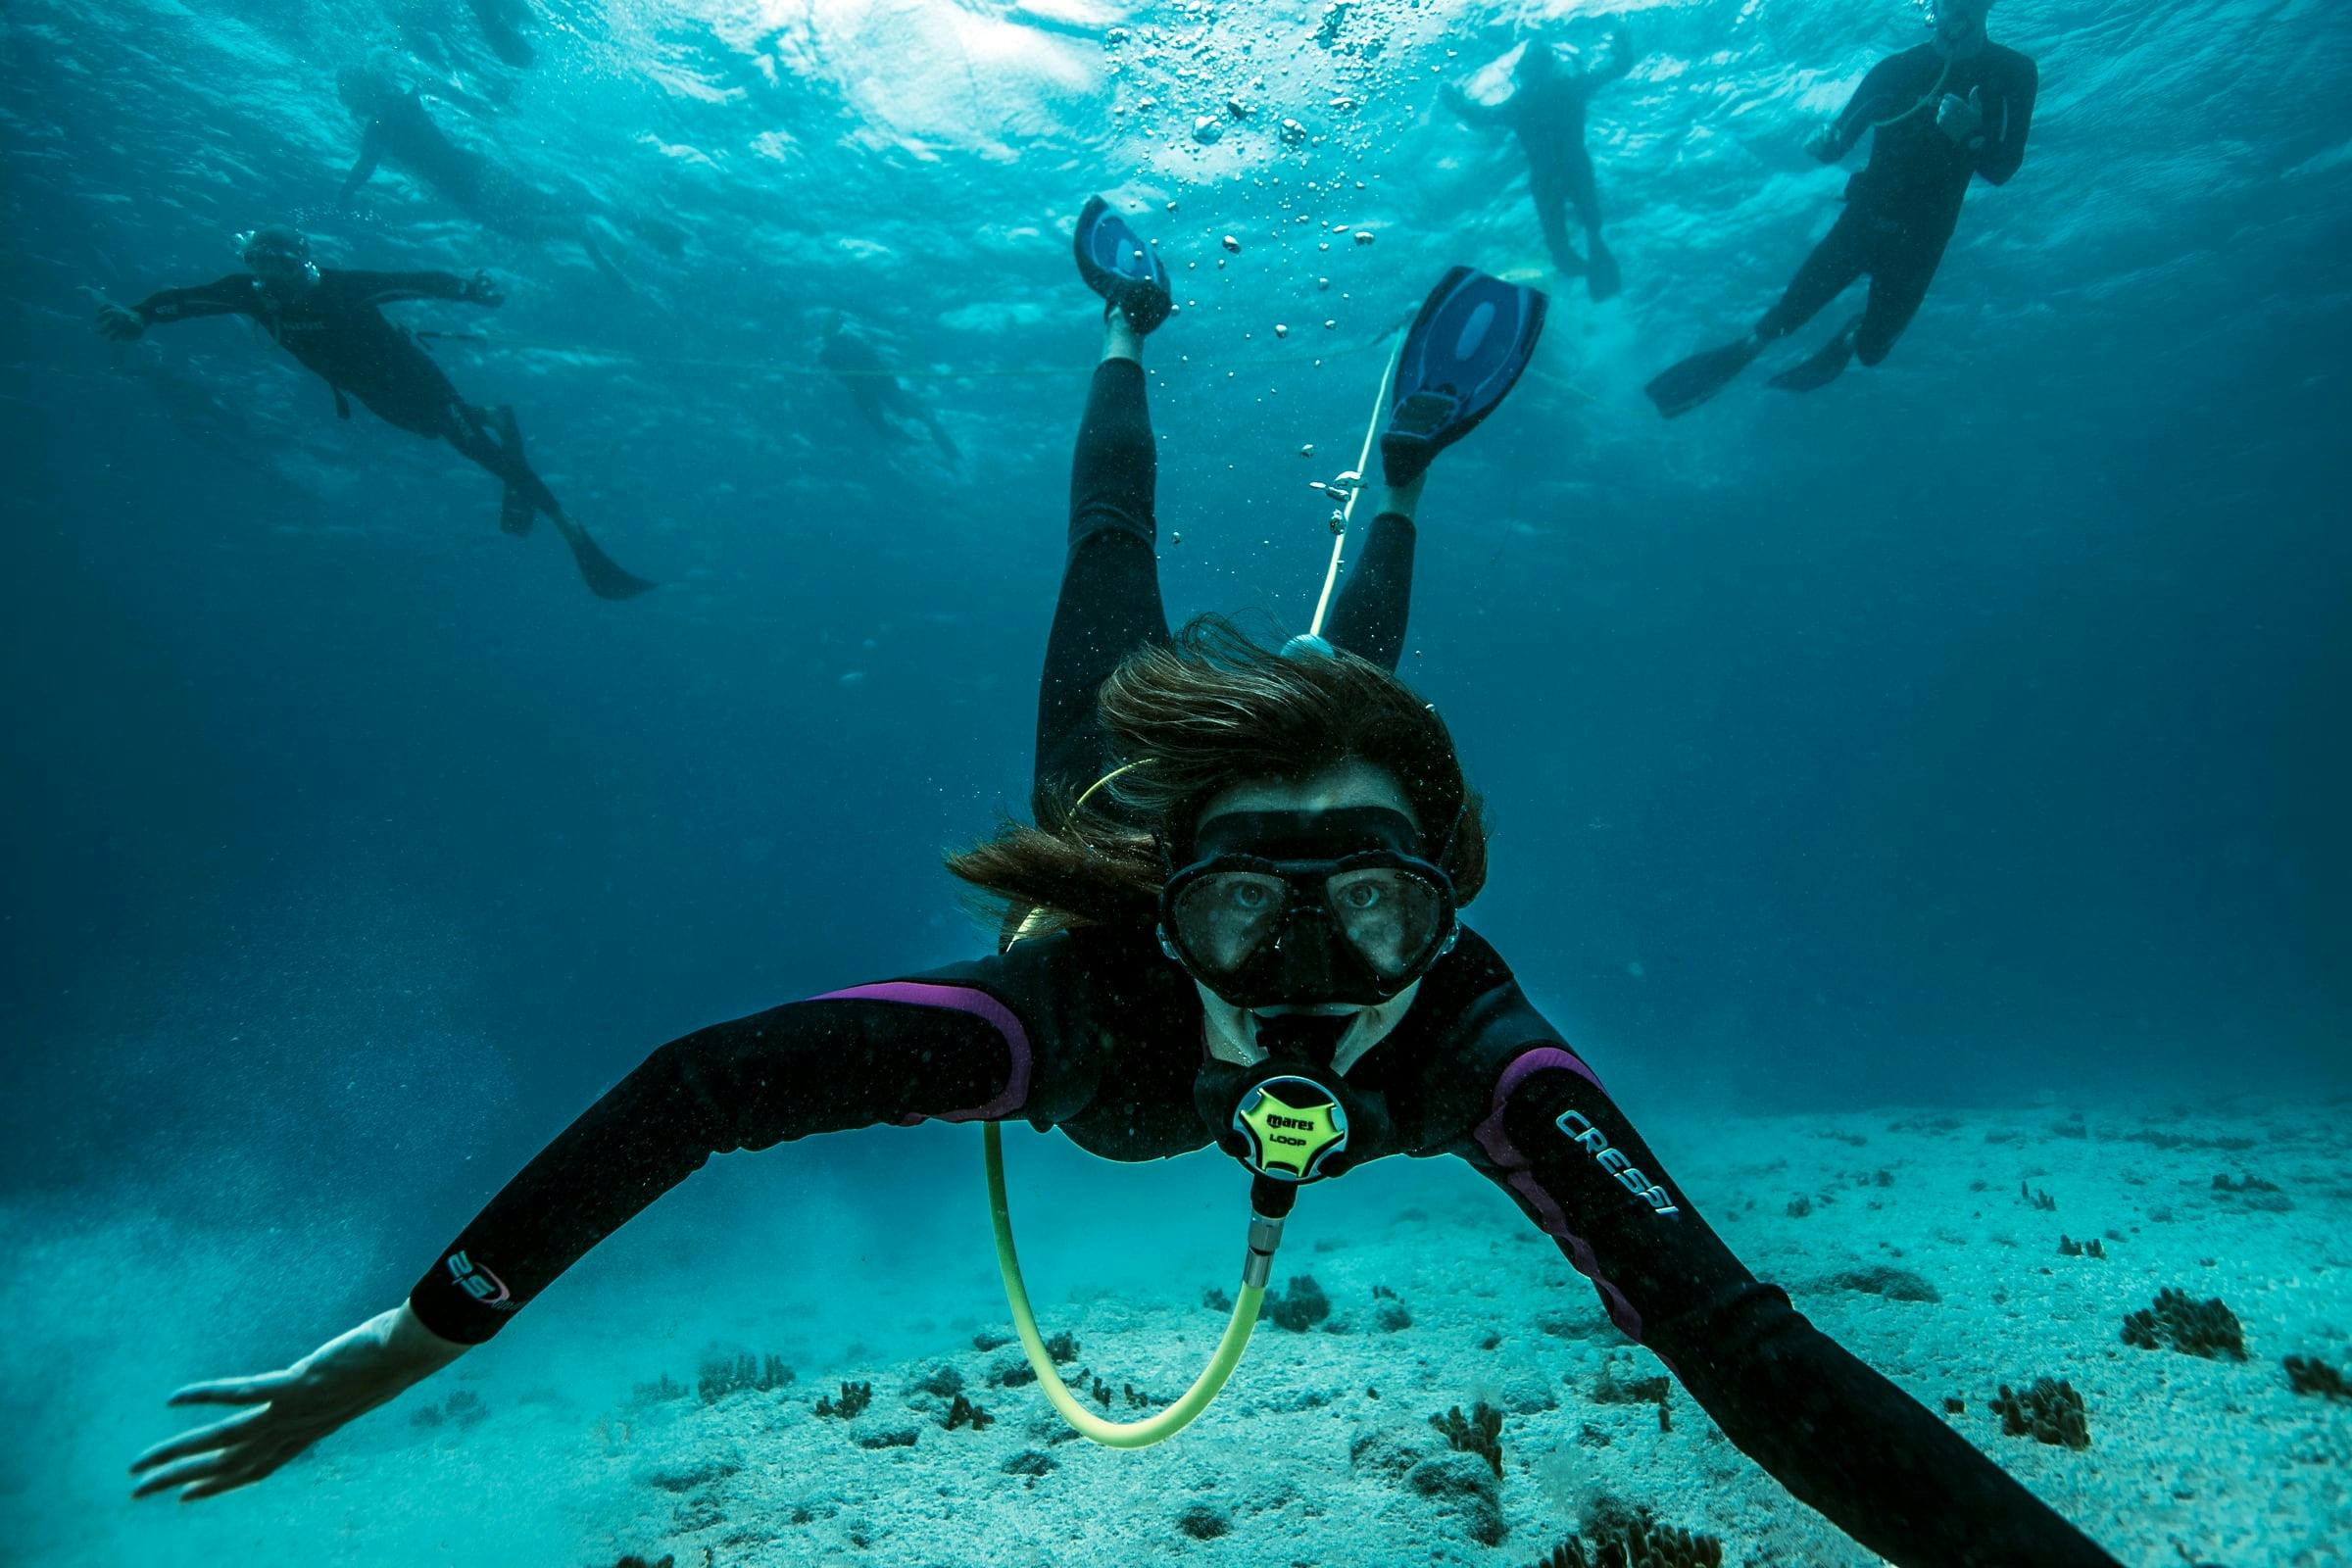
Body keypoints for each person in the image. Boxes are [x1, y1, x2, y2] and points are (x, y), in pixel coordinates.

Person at [126, 196, 2125, 1568]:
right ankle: (1133, 315)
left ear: (1451, 913)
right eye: (1252, 909)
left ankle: (1403, 472)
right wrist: (420, 1324)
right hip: (1116, 771)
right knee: (1115, 538)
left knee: (1355, 712)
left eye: (1381, 914)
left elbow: (1753, 1350)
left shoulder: (1466, 1033)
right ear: (1168, 898)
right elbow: (706, 1082)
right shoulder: (1082, 983)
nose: (1320, 983)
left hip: (1259, 790)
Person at [96, 225, 653, 599]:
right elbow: (186, 299)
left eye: (282, 264)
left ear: (303, 262)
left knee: (475, 450)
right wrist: (142, 316)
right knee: (432, 436)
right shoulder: (250, 293)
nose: (270, 276)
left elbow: (408, 281)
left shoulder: (340, 288)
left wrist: (468, 290)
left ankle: (569, 528)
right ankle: (491, 416)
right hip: (377, 399)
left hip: (418, 381)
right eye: (259, 264)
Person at [1644, 0, 2036, 416]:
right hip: (1861, 224)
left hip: (1923, 241)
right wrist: (1825, 144)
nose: (1957, 7)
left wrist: (1972, 137)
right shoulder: (1895, 70)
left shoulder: (2014, 73)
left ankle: (1853, 337)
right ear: (1931, 5)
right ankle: (1743, 354)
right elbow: (1840, 139)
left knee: (1872, 351)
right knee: (1775, 324)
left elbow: (2002, 170)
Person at [335, 65, 635, 285]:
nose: (347, 101)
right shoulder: (399, 103)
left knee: (523, 223)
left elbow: (364, 166)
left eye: (347, 94)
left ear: (360, 91)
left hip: (465, 184)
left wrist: (343, 197)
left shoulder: (379, 123)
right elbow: (452, 97)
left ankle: (588, 232)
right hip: (474, 171)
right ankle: (606, 221)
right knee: (537, 207)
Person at [1441, 19, 1635, 302]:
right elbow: (1617, 68)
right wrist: (1621, 42)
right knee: (1584, 233)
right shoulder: (1569, 87)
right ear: (1550, 66)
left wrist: (1457, 102)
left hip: (1548, 179)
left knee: (1565, 246)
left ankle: (1592, 271)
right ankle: (1595, 271)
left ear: (1525, 74)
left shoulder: (1523, 103)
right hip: (1573, 170)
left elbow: (1480, 116)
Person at [819, 315, 960, 466]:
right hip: (867, 387)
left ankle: (929, 436)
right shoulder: (831, 351)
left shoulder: (844, 345)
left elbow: (864, 362)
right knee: (886, 421)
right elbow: (848, 370)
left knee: (896, 414)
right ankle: (920, 439)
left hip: (874, 384)